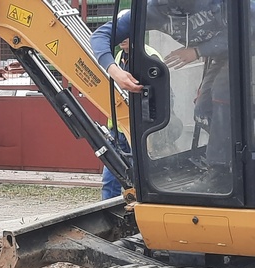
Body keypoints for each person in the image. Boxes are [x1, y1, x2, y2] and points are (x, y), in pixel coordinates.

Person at [90, 0, 231, 193]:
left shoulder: (217, 3)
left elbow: (247, 28)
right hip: (223, 56)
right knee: (203, 110)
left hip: (246, 51)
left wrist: (198, 51)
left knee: (222, 95)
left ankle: (221, 171)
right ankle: (231, 160)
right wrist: (114, 71)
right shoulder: (153, 10)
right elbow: (101, 35)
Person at [100, 36, 166, 199]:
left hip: (140, 130)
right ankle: (108, 212)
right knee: (110, 178)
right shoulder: (117, 57)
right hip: (118, 128)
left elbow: (161, 94)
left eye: (126, 35)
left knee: (140, 179)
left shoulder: (150, 57)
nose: (121, 39)